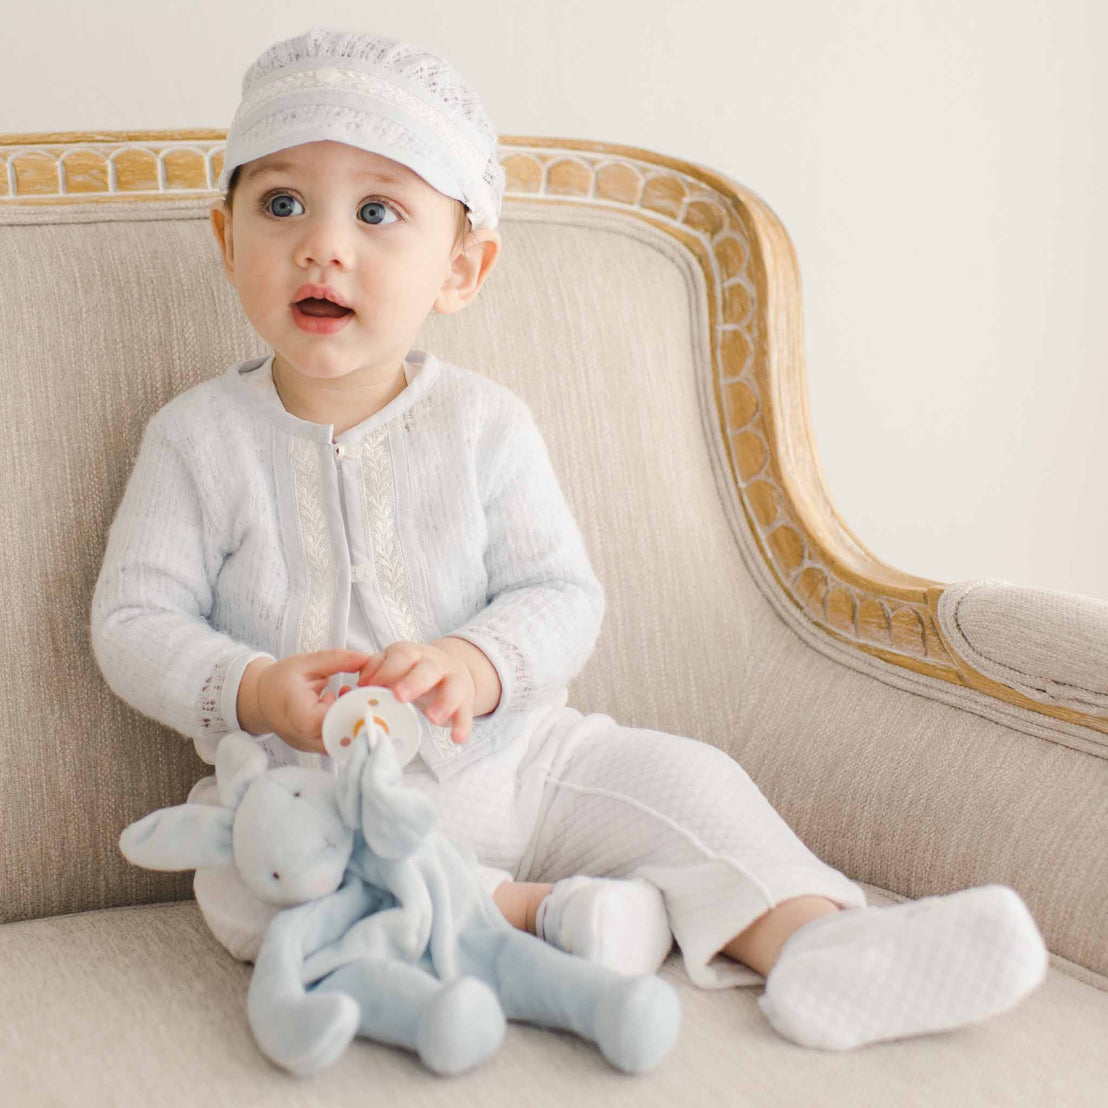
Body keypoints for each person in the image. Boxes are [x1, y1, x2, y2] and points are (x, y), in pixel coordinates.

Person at [90, 25, 1049, 1052]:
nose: (324, 243)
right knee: (246, 886)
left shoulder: (484, 424)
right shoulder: (194, 438)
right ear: (226, 239)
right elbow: (132, 618)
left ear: (462, 267)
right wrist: (248, 689)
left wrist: (478, 661)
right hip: (313, 796)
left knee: (688, 781)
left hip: (519, 760)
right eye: (281, 204)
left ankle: (819, 947)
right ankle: (544, 916)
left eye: (379, 211)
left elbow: (560, 594)